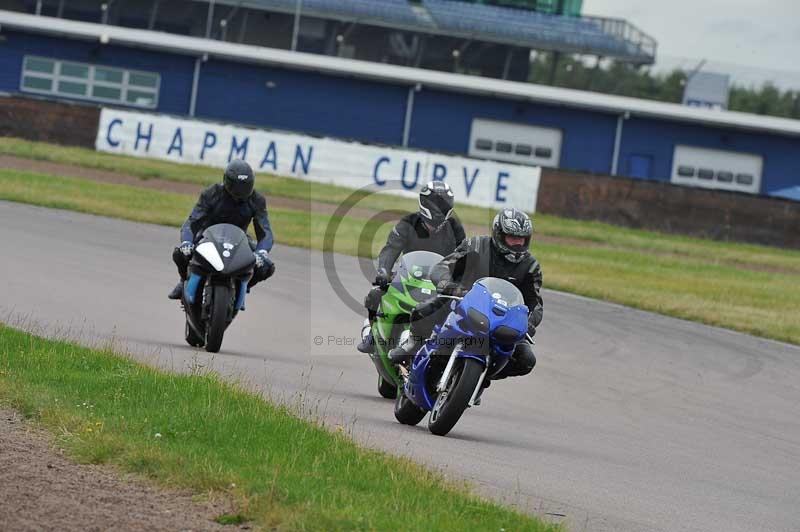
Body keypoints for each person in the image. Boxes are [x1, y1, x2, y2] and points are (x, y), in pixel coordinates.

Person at [388, 208, 542, 387]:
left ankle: (483, 376)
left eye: (521, 239)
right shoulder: (476, 245)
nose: (517, 244)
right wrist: (448, 285)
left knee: (526, 360)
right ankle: (412, 346)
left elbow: (536, 303)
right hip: (462, 303)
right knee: (423, 310)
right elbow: (442, 267)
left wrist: (529, 322)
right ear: (499, 234)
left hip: (501, 319)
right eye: (512, 238)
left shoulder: (531, 266)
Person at [356, 181, 466, 353]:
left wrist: (461, 281)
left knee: (460, 310)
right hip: (407, 276)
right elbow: (391, 249)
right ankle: (373, 334)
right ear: (426, 203)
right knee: (376, 294)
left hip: (440, 282)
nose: (440, 207)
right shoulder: (407, 223)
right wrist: (383, 271)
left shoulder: (455, 228)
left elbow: (463, 257)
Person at [167, 159, 275, 300]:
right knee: (180, 254)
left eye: (245, 187)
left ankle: (243, 286)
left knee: (267, 267)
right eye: (237, 187)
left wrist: (262, 252)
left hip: (240, 239)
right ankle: (184, 281)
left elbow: (265, 231)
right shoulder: (211, 193)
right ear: (227, 181)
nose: (240, 192)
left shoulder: (257, 200)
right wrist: (187, 242)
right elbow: (192, 221)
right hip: (207, 235)